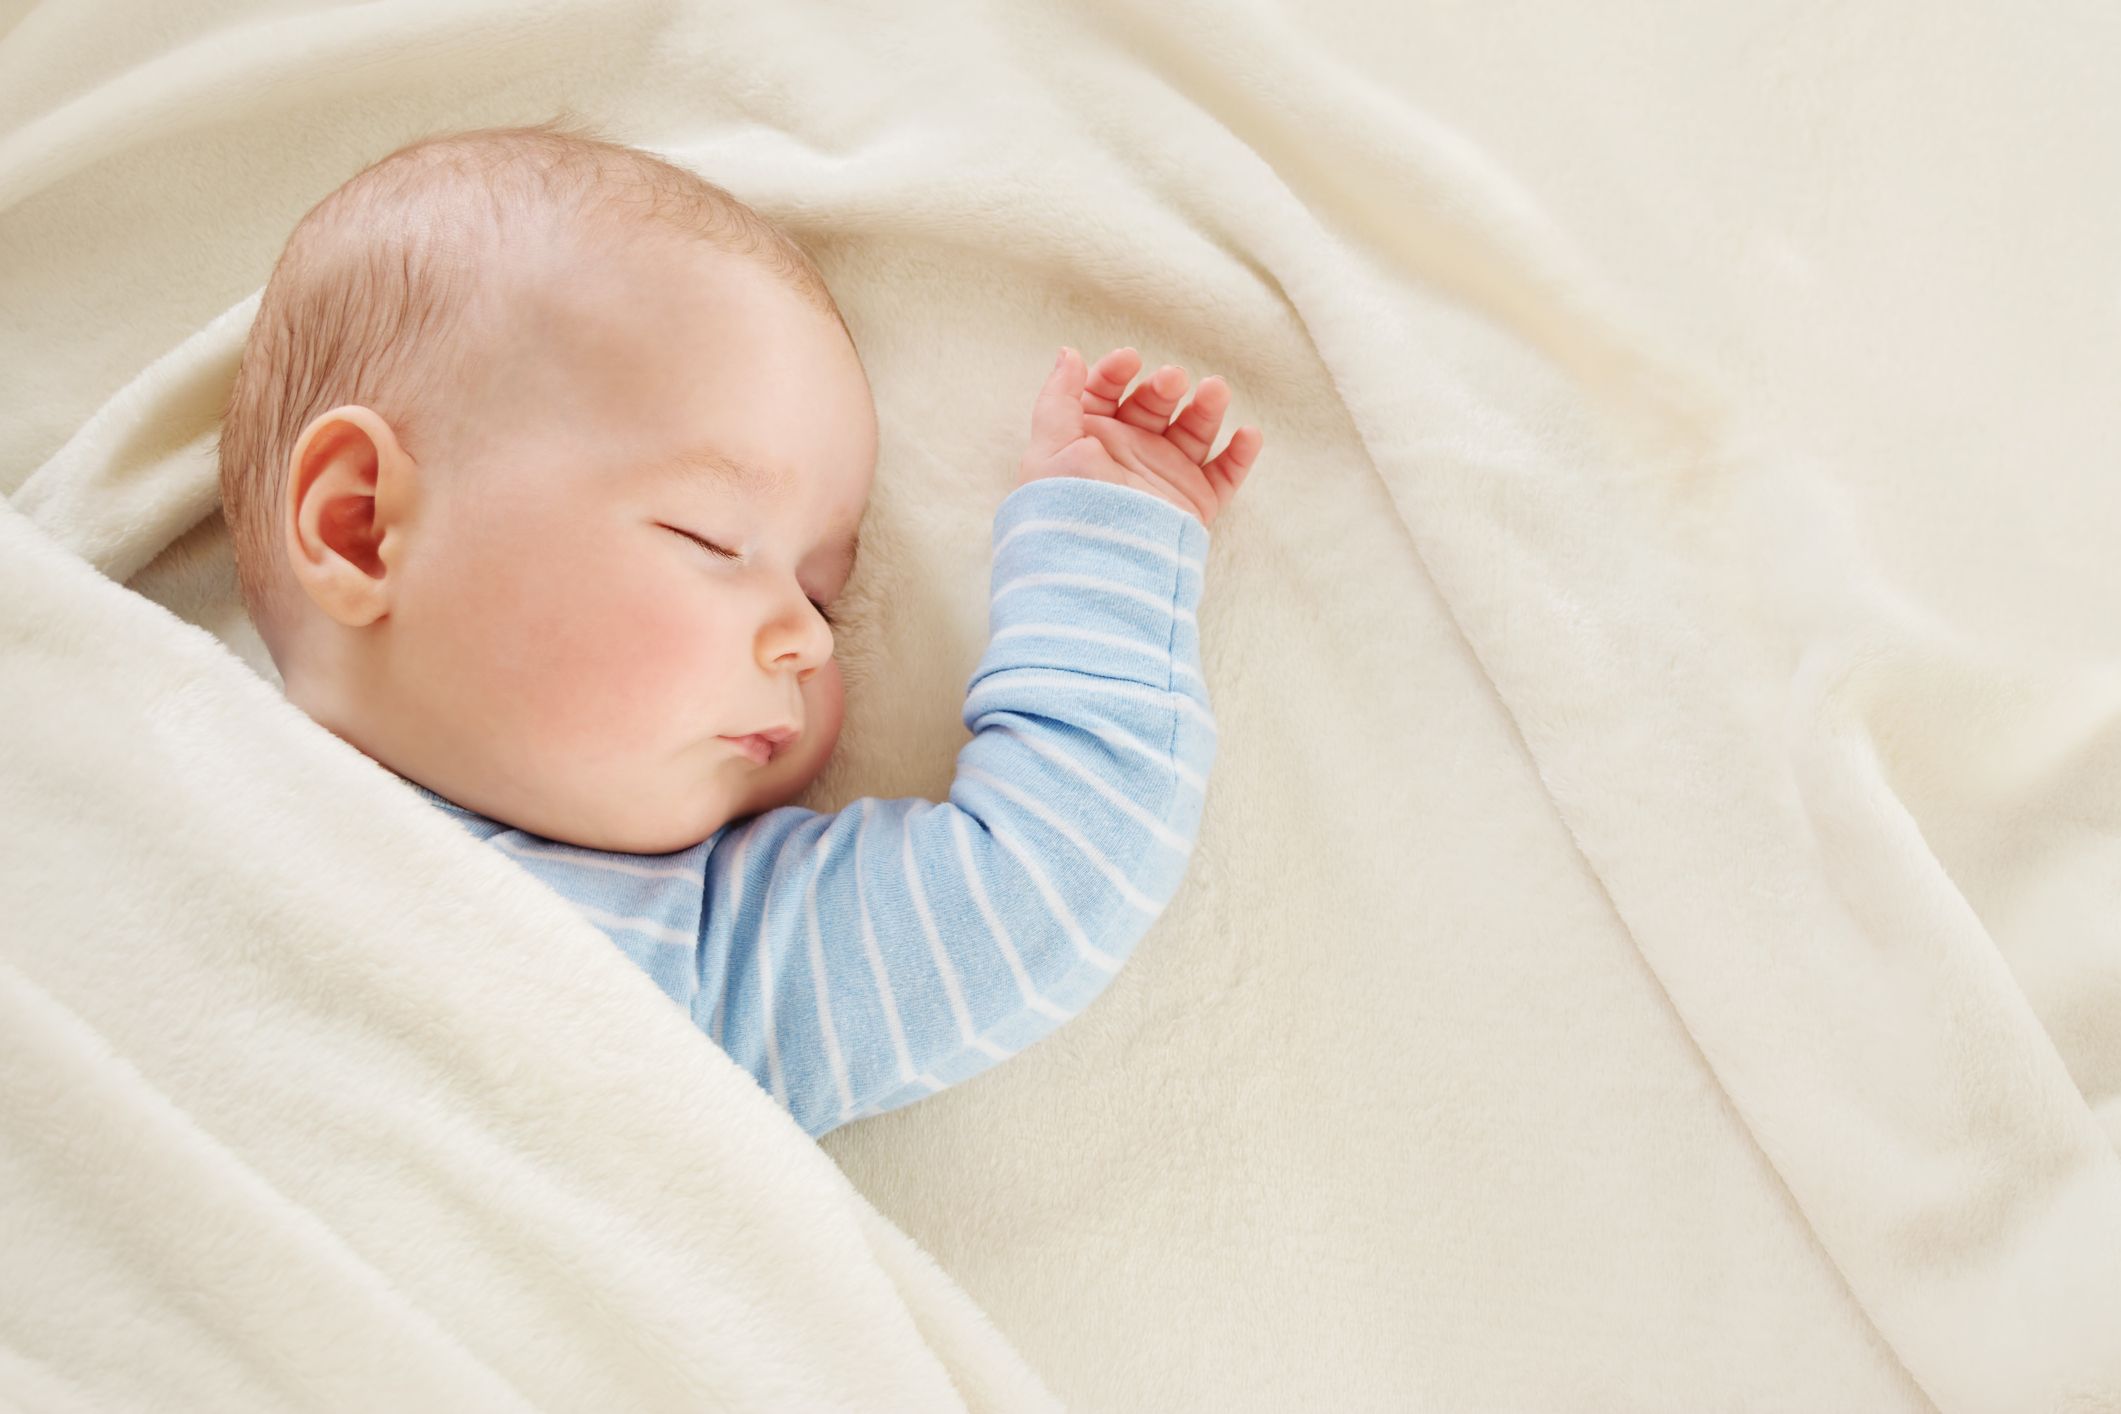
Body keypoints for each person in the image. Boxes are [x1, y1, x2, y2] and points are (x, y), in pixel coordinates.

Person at [215, 119, 1263, 1140]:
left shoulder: (706, 951)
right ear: (360, 525)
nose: (809, 641)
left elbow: (1033, 891)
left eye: (822, 594)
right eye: (712, 539)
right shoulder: (150, 745)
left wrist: (1106, 542)